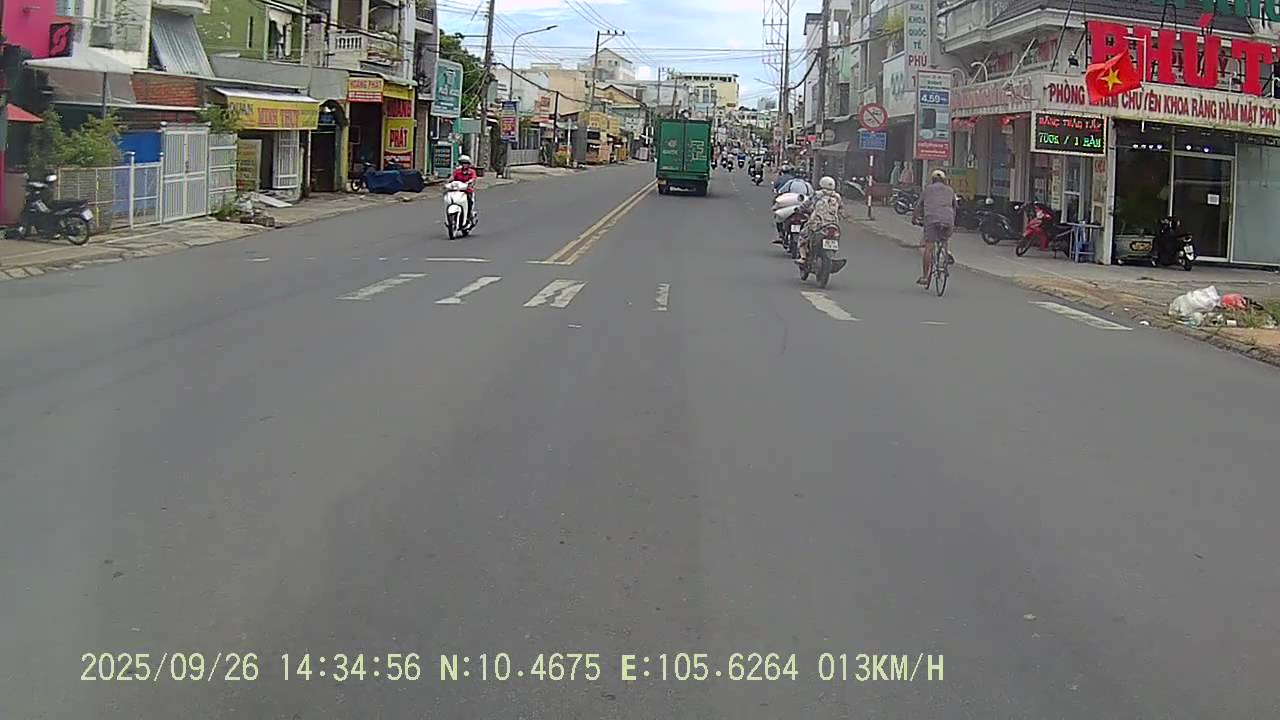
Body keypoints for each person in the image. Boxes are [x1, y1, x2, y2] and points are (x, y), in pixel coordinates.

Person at [913, 169, 957, 286]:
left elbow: (918, 206)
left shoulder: (927, 189)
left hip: (931, 219)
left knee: (929, 247)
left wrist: (914, 219)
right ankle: (946, 253)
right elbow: (955, 206)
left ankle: (925, 276)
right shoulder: (950, 190)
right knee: (944, 239)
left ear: (932, 180)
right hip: (948, 219)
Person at [798, 176, 844, 264]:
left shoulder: (817, 194)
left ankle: (803, 257)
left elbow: (806, 204)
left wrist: (800, 209)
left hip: (817, 223)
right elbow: (841, 210)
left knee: (803, 236)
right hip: (833, 224)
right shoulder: (837, 197)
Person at [451, 154, 479, 223]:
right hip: (457, 191)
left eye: (466, 163)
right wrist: (448, 182)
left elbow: (473, 179)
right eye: (463, 163)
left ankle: (468, 216)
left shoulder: (472, 172)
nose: (464, 165)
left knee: (469, 202)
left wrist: (470, 182)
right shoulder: (457, 171)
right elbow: (452, 177)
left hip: (467, 191)